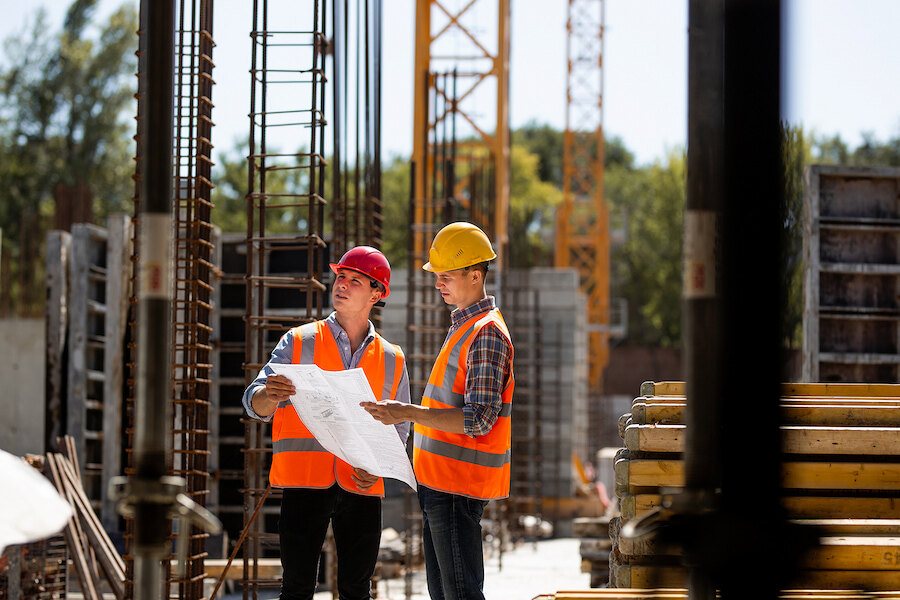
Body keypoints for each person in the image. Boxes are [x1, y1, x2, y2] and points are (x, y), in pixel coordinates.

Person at [242, 246, 410, 600]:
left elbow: (398, 426)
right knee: (298, 588)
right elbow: (253, 401)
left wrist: (379, 467)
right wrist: (269, 394)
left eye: (354, 280)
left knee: (356, 590)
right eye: (340, 277)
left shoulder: (393, 358)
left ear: (377, 293)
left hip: (362, 485)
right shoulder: (299, 341)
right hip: (304, 481)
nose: (342, 285)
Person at [361, 222, 514, 600]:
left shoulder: (486, 333)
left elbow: (479, 418)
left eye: (446, 276)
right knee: (444, 594)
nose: (438, 284)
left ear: (475, 275)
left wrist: (407, 413)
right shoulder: (465, 327)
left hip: (457, 486)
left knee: (459, 593)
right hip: (440, 483)